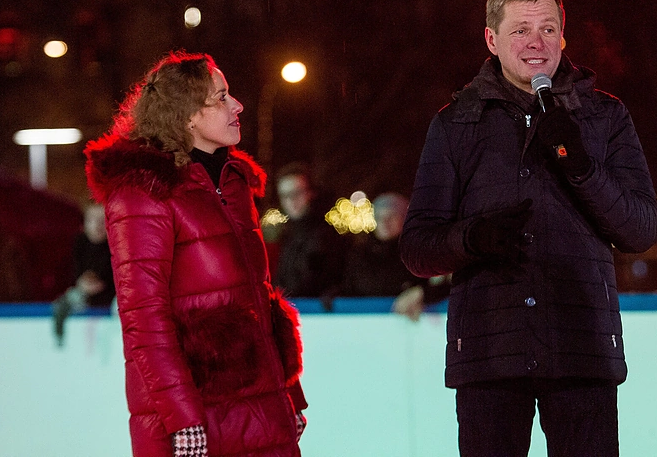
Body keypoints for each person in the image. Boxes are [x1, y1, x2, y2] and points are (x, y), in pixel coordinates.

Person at [399, 0, 657, 456]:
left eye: (548, 29)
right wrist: (473, 238)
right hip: (489, 356)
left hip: (580, 347)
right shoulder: (456, 123)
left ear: (563, 37)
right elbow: (417, 248)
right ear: (492, 39)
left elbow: (641, 229)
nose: (536, 42)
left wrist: (581, 167)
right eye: (520, 30)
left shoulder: (604, 117)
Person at [85, 51, 306, 457]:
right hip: (195, 419)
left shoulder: (232, 182)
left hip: (260, 406)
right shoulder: (143, 193)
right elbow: (143, 320)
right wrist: (183, 419)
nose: (236, 105)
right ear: (187, 115)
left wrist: (290, 392)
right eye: (220, 97)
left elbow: (258, 301)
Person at [339, 192, 450, 319]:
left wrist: (421, 294)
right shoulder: (360, 256)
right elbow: (350, 289)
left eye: (392, 216)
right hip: (366, 327)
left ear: (404, 219)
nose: (385, 222)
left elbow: (445, 285)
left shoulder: (420, 254)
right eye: (379, 217)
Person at [270, 162, 346, 305]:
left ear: (311, 193)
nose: (291, 201)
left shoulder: (326, 236)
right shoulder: (287, 236)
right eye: (285, 195)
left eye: (297, 193)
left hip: (318, 317)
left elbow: (311, 283)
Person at [51, 203, 115, 346]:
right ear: (85, 223)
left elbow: (114, 275)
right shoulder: (80, 242)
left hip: (111, 294)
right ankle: (59, 341)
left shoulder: (116, 244)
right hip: (85, 291)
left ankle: (119, 344)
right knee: (62, 303)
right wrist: (82, 284)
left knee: (121, 307)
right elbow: (76, 271)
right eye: (92, 220)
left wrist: (100, 284)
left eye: (102, 221)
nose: (97, 226)